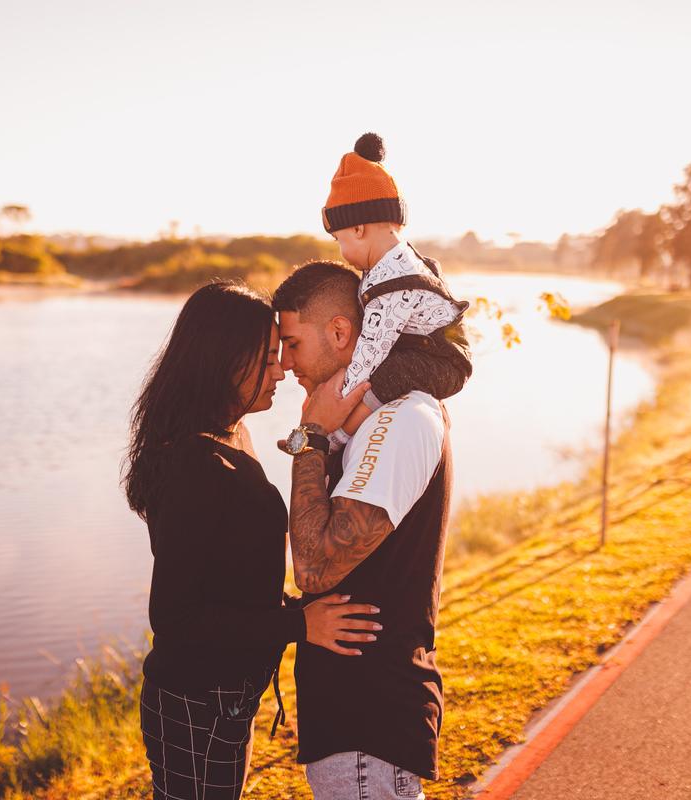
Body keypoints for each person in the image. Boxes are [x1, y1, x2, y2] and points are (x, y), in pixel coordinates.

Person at [122, 280, 381, 800]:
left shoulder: (226, 435)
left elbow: (231, 575)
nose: (282, 369)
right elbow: (174, 616)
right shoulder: (197, 464)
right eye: (266, 359)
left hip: (223, 698)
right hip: (197, 701)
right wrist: (297, 623)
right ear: (222, 363)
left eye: (283, 351)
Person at [272, 262, 455, 800]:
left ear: (339, 332)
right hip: (351, 720)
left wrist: (309, 436)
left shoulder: (401, 420)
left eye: (292, 343)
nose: (285, 366)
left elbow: (313, 567)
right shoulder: (364, 423)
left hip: (370, 722)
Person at [317, 132, 472, 451]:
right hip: (429, 350)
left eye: (339, 240)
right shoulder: (397, 262)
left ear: (358, 229)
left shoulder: (393, 282)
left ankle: (342, 435)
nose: (341, 250)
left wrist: (335, 403)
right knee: (392, 367)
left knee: (388, 373)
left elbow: (369, 353)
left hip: (445, 362)